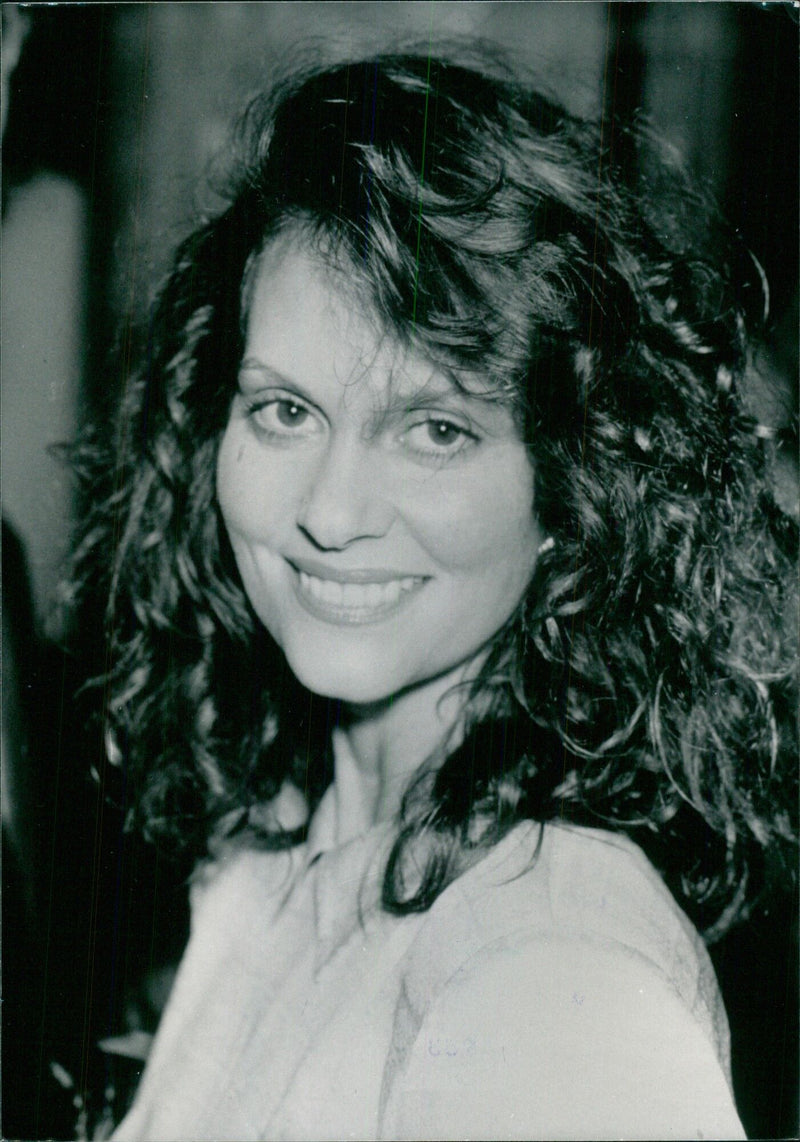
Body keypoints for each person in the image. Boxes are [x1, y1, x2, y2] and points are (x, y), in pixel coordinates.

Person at [69, 49, 797, 1140]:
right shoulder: (271, 855)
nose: (330, 508)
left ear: (569, 489)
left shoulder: (553, 974)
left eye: (435, 430)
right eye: (282, 411)